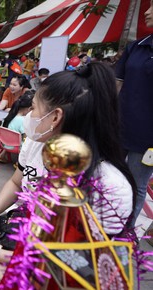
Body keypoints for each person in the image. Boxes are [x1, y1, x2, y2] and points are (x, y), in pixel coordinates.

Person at [0, 62, 135, 289]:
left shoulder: (109, 187)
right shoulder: (37, 143)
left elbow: (75, 266)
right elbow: (17, 181)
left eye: (33, 108)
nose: (29, 115)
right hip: (24, 239)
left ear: (55, 118)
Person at [115, 0, 153, 228]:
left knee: (137, 185)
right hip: (118, 127)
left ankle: (124, 234)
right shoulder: (137, 46)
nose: (146, 12)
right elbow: (116, 84)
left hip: (148, 139)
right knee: (107, 175)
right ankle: (99, 225)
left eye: (152, 7)